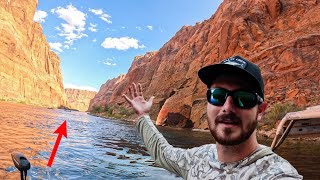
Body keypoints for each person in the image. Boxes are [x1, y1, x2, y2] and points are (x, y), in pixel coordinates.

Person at [123, 55, 302, 179]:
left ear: (261, 110)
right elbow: (162, 152)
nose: (227, 107)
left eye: (244, 98)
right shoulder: (197, 158)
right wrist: (144, 116)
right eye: (218, 95)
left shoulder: (276, 173)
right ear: (208, 102)